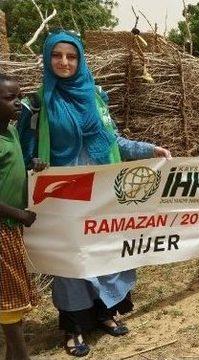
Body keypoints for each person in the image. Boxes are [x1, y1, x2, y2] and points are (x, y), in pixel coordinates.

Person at [17, 30, 171, 357]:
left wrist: (147, 149)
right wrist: (35, 163)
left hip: (103, 193)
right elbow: (25, 152)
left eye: (71, 56)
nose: (64, 62)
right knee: (70, 259)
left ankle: (105, 313)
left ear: (80, 59)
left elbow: (114, 141)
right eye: (57, 55)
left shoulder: (96, 96)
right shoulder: (38, 103)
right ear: (47, 58)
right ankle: (73, 326)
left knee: (106, 251)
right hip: (63, 197)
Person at [0, 74, 46, 360]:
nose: (18, 102)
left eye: (19, 96)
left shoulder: (13, 133)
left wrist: (33, 164)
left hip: (10, 228)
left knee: (12, 296)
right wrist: (19, 213)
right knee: (9, 301)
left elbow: (15, 168)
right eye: (9, 98)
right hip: (3, 228)